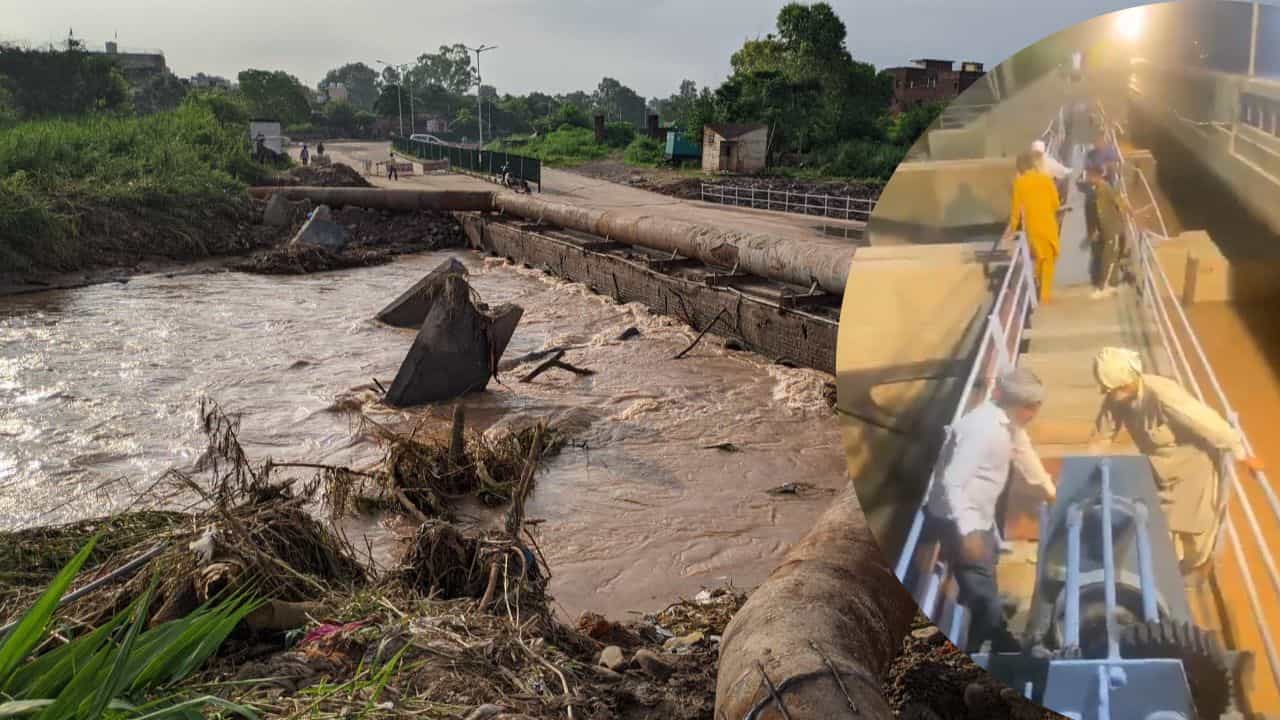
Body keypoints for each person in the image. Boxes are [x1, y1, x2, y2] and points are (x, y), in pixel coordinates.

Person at [1092, 347, 1266, 573]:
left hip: (1194, 470)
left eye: (1116, 389)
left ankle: (1192, 567)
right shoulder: (1117, 397)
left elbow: (1211, 425)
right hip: (1158, 468)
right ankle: (1165, 572)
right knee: (1159, 527)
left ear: (1129, 381)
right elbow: (1102, 435)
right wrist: (1091, 468)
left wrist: (1242, 455)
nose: (1111, 395)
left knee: (1196, 534)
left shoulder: (1164, 394)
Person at [925, 367, 1057, 654]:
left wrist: (1050, 490)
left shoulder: (1008, 423)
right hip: (958, 520)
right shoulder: (981, 431)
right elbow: (952, 482)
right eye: (1030, 407)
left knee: (986, 571)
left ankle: (987, 624)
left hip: (980, 516)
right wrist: (967, 531)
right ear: (1013, 403)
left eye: (1036, 406)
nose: (1034, 413)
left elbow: (1023, 453)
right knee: (981, 585)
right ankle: (994, 641)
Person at [1003, 152, 1063, 303]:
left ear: (1019, 167)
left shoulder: (1019, 183)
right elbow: (1056, 204)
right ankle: (1044, 296)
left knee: (1038, 258)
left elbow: (1016, 212)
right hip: (1048, 226)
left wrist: (1010, 231)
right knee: (1048, 261)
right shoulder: (1046, 179)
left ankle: (1038, 288)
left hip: (1032, 229)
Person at [1086, 165, 1134, 298]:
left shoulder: (1106, 187)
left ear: (1096, 176)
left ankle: (1108, 286)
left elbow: (1119, 200)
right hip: (1106, 230)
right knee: (1108, 257)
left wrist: (1130, 212)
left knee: (1110, 257)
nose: (1088, 179)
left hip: (1114, 229)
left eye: (1089, 176)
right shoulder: (1097, 190)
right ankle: (1109, 285)